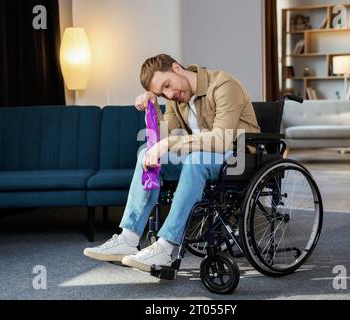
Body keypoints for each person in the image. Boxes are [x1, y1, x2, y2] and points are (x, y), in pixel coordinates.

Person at [83, 54, 260, 272]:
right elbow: (166, 136)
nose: (169, 94)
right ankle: (128, 238)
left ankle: (165, 248)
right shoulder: (176, 100)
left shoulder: (224, 85)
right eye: (162, 92)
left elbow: (221, 140)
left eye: (167, 85)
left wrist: (168, 143)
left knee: (195, 159)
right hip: (203, 155)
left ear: (177, 68)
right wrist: (154, 104)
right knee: (146, 154)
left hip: (239, 155)